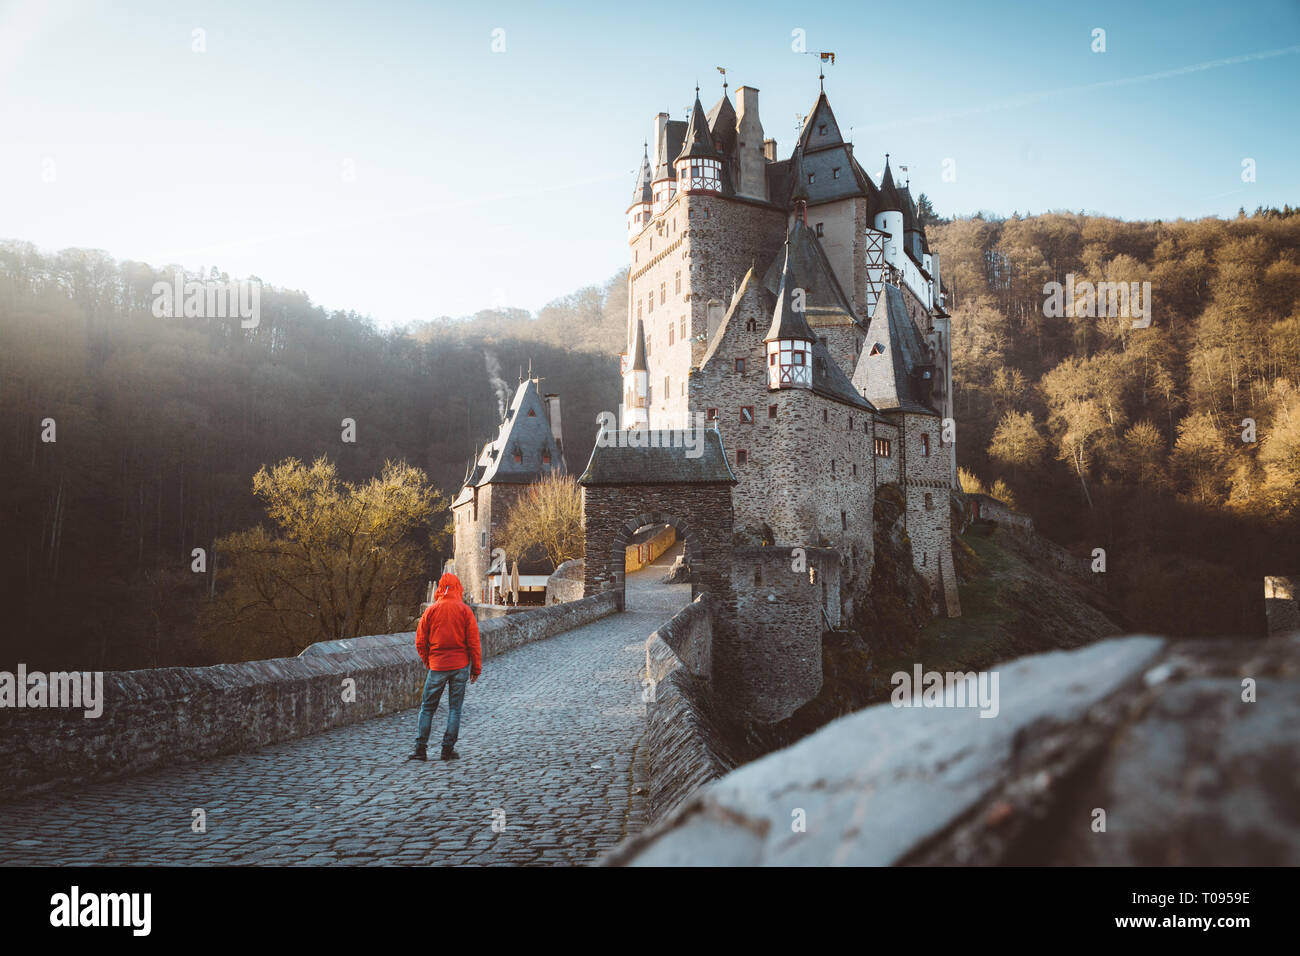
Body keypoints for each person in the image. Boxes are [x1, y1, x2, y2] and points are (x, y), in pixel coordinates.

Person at [408, 573, 481, 761]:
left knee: (427, 708)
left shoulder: (431, 611)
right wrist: (476, 669)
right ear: (458, 588)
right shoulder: (465, 611)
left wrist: (429, 661)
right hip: (460, 665)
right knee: (455, 709)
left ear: (440, 588)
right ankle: (447, 749)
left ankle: (420, 749)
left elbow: (420, 641)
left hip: (438, 665)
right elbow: (473, 643)